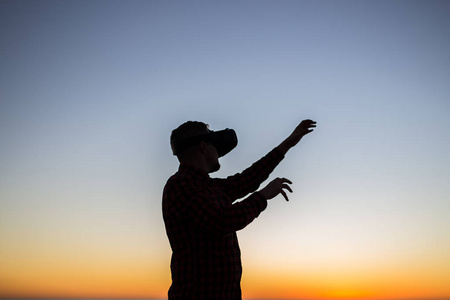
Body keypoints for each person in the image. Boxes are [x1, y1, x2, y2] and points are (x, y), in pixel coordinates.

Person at [162, 119, 317, 300]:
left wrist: (288, 143)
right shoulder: (180, 184)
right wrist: (263, 196)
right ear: (203, 147)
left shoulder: (209, 186)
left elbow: (247, 179)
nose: (218, 153)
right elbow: (221, 221)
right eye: (215, 145)